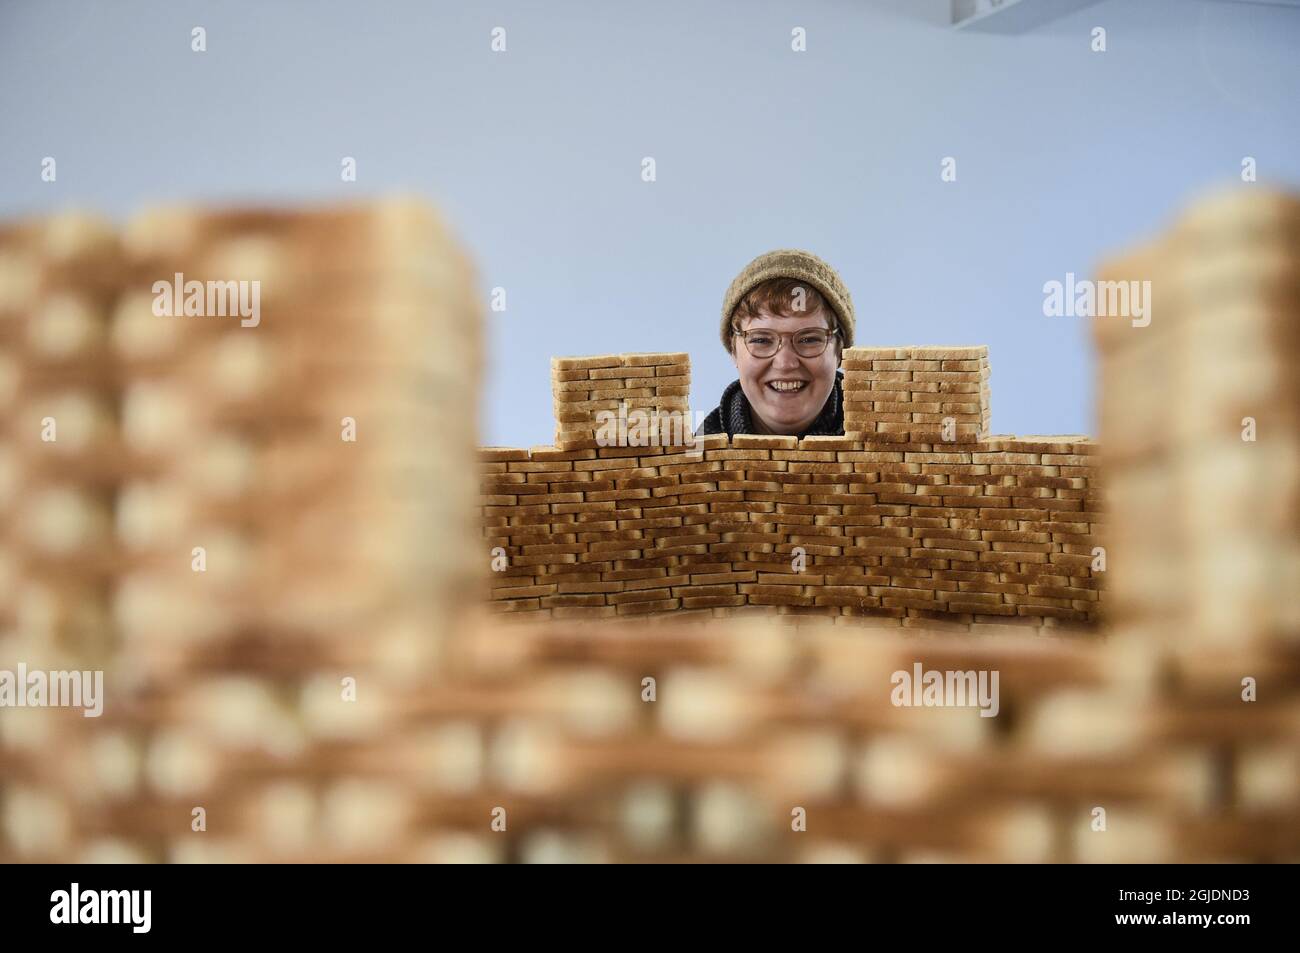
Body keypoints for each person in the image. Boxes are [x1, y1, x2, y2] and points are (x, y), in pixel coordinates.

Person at [699, 248, 855, 437]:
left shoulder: (895, 452)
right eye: (761, 340)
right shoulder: (689, 460)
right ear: (734, 350)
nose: (785, 363)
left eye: (809, 339)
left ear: (840, 351)